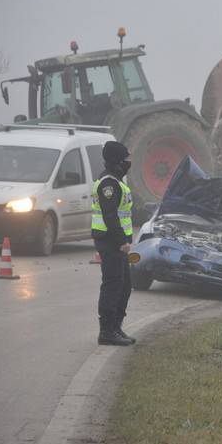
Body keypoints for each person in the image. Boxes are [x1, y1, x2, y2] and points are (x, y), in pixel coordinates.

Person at [91, 141, 136, 345]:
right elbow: (110, 216)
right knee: (113, 286)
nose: (129, 162)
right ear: (117, 161)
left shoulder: (117, 182)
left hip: (118, 242)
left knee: (124, 286)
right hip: (111, 243)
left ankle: (116, 327)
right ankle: (107, 331)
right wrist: (122, 242)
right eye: (126, 159)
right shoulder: (109, 184)